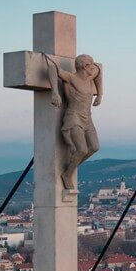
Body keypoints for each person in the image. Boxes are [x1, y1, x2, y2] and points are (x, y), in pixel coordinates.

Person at [44, 53, 102, 190]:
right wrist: (54, 92)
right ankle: (67, 175)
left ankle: (71, 165)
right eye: (91, 64)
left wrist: (100, 94)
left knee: (94, 147)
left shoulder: (89, 78)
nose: (93, 67)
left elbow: (99, 72)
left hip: (87, 117)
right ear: (83, 66)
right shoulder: (71, 78)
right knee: (81, 149)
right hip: (74, 116)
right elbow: (53, 68)